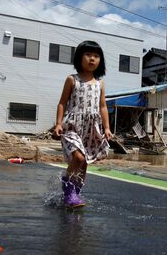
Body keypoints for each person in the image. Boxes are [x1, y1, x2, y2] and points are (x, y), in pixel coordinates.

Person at [53, 40, 112, 208]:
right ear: (79, 58)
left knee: (84, 163)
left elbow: (102, 106)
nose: (92, 59)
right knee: (78, 157)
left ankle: (75, 194)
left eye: (96, 56)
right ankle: (67, 187)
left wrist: (106, 128)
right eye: (88, 55)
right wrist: (58, 124)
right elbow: (62, 103)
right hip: (72, 125)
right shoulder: (72, 79)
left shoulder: (100, 84)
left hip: (91, 128)